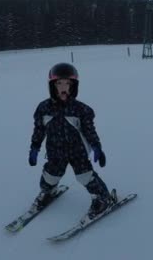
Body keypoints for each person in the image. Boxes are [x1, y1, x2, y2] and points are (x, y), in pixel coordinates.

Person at [28, 63, 116, 219]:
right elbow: (39, 130)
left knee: (85, 176)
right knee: (50, 176)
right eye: (59, 83)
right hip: (55, 151)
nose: (63, 88)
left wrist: (97, 147)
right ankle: (48, 192)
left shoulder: (81, 110)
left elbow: (89, 130)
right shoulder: (44, 109)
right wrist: (34, 148)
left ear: (73, 87)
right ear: (52, 86)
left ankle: (103, 198)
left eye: (68, 84)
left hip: (77, 151)